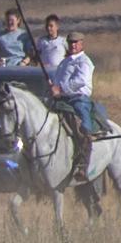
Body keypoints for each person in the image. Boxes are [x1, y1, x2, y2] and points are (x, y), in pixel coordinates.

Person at [49, 31, 97, 184]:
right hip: (62, 100)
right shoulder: (64, 62)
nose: (73, 45)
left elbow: (80, 81)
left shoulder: (84, 62)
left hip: (78, 99)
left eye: (76, 42)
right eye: (70, 43)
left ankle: (83, 164)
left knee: (82, 127)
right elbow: (57, 80)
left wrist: (60, 89)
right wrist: (53, 87)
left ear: (82, 43)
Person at [34, 15, 67, 83]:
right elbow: (36, 57)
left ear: (57, 27)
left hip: (58, 72)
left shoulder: (63, 41)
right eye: (47, 26)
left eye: (51, 26)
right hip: (44, 72)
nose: (49, 28)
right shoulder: (41, 41)